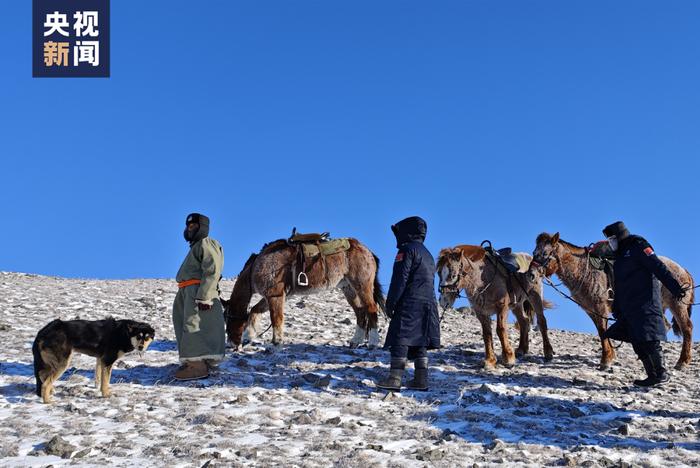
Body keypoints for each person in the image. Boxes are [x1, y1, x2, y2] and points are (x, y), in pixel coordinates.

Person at [602, 221, 686, 387]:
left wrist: (675, 287)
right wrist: (617, 308)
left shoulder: (638, 246)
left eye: (612, 238)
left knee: (649, 339)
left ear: (620, 236)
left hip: (645, 302)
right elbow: (618, 284)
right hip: (628, 305)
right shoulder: (619, 256)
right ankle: (651, 375)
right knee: (637, 341)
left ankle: (662, 373)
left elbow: (657, 266)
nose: (610, 242)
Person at [377, 216, 441, 391]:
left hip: (409, 302)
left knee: (401, 338)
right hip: (428, 304)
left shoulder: (406, 251)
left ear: (406, 232)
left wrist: (390, 304)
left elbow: (399, 280)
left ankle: (394, 379)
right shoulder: (428, 254)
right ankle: (421, 380)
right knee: (420, 341)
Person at [172, 213, 226, 380]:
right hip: (187, 292)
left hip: (197, 292)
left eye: (194, 226)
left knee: (194, 325)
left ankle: (197, 366)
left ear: (202, 228)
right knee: (184, 323)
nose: (190, 229)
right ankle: (193, 362)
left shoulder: (206, 243)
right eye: (188, 226)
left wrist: (205, 296)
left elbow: (212, 270)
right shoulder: (196, 246)